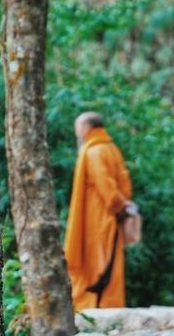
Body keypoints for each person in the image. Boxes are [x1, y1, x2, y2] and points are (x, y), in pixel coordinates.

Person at [64, 112, 133, 310]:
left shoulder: (94, 151)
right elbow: (125, 181)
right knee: (108, 261)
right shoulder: (111, 148)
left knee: (98, 264)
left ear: (87, 128)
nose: (77, 133)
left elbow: (107, 189)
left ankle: (97, 306)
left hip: (97, 219)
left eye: (78, 128)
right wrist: (124, 205)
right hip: (106, 216)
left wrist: (118, 205)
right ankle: (105, 304)